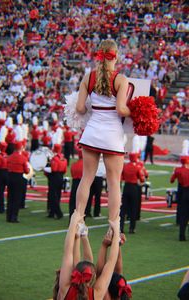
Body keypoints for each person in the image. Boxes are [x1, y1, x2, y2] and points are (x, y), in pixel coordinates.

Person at [75, 39, 130, 222]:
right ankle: (114, 224)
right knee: (114, 183)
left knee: (86, 178)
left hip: (91, 133)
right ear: (116, 57)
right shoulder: (121, 79)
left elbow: (80, 109)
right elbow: (121, 110)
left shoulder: (87, 77)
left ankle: (78, 218)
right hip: (112, 135)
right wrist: (134, 112)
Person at [57, 210, 121, 300]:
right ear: (93, 277)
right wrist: (116, 229)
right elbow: (111, 262)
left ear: (75, 272)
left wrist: (73, 222)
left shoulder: (65, 289)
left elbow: (68, 252)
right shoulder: (97, 294)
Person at [96, 230, 132, 300]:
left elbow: (100, 275)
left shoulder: (106, 297)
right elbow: (119, 271)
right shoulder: (123, 296)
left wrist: (104, 245)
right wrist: (117, 243)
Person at [120, 153, 145, 234]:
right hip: (134, 188)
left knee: (123, 209)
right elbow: (142, 179)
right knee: (133, 208)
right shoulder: (137, 167)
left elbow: (122, 177)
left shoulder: (125, 166)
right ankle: (132, 228)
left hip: (126, 187)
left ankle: (121, 227)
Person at [6, 140, 30, 223]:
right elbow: (26, 171)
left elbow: (6, 166)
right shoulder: (23, 158)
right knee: (17, 198)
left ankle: (8, 216)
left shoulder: (9, 157)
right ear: (20, 148)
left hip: (10, 177)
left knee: (10, 197)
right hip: (19, 178)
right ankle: (14, 217)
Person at [170, 156, 189, 241]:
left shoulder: (177, 170)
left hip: (182, 190)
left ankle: (182, 235)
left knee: (183, 214)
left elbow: (171, 180)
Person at [46, 143, 67, 219]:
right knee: (57, 195)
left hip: (54, 177)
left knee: (53, 196)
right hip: (60, 177)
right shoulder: (63, 158)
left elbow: (53, 169)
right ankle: (52, 212)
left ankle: (58, 213)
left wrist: (45, 169)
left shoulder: (54, 159)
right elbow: (65, 170)